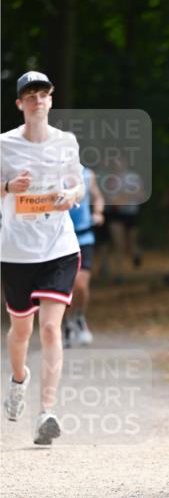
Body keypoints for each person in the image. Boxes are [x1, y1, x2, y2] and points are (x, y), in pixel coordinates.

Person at [1, 70, 84, 444]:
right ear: (20, 103)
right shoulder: (4, 144)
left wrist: (73, 196)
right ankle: (19, 379)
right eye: (30, 95)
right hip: (16, 250)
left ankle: (47, 412)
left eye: (44, 94)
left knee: (51, 328)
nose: (38, 100)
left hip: (59, 248)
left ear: (51, 100)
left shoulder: (66, 142)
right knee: (22, 330)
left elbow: (78, 183)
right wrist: (7, 187)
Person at [64, 166, 105, 346]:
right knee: (65, 285)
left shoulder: (88, 174)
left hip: (84, 236)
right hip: (61, 239)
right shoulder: (51, 174)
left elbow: (97, 197)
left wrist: (98, 212)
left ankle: (79, 317)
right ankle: (66, 324)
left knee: (80, 284)